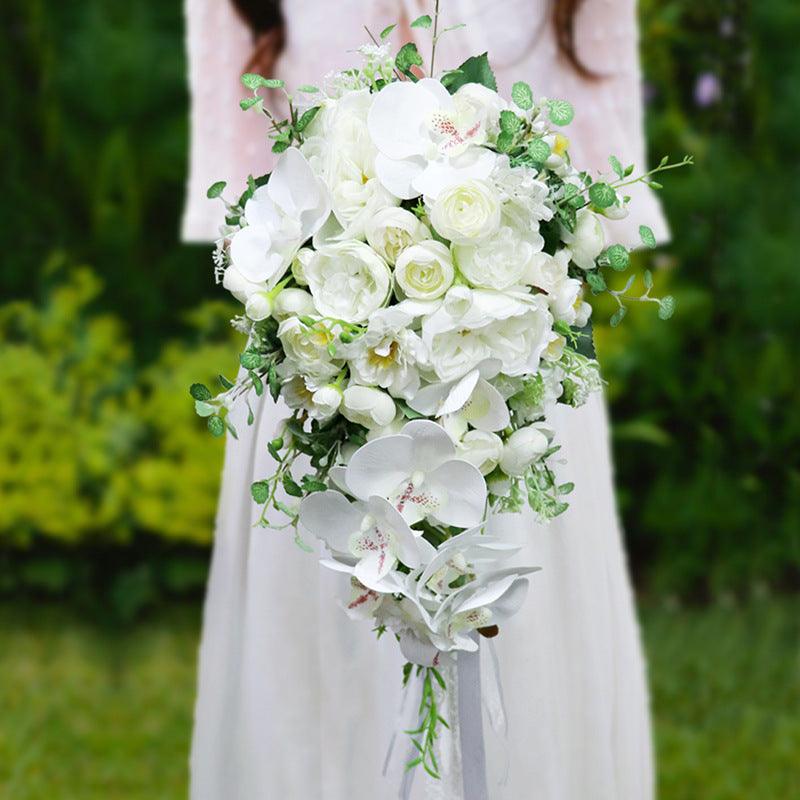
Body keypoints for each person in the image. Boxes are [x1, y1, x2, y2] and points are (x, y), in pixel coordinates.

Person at [183, 2, 668, 798]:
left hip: (512, 363)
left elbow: (594, 194)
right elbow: (246, 211)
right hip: (321, 365)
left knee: (520, 649)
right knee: (321, 666)